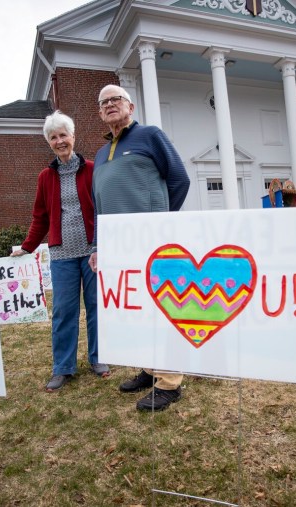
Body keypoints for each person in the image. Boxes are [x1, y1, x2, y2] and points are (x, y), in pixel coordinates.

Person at [89, 84, 190, 411]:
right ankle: (150, 368)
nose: (109, 105)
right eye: (104, 103)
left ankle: (171, 382)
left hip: (151, 240)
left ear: (130, 106)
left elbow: (180, 180)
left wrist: (159, 221)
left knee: (160, 307)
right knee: (137, 310)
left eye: (115, 99)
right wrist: (97, 246)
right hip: (118, 246)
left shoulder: (150, 136)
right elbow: (98, 205)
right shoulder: (102, 154)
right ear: (100, 113)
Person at [12, 110, 109, 392]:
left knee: (95, 307)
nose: (59, 141)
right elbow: (40, 216)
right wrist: (27, 246)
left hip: (93, 252)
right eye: (53, 137)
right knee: (65, 310)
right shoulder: (46, 176)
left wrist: (103, 244)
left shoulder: (92, 169)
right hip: (62, 254)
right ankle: (63, 368)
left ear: (73, 136)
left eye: (63, 135)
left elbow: (103, 207)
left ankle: (99, 358)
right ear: (49, 143)